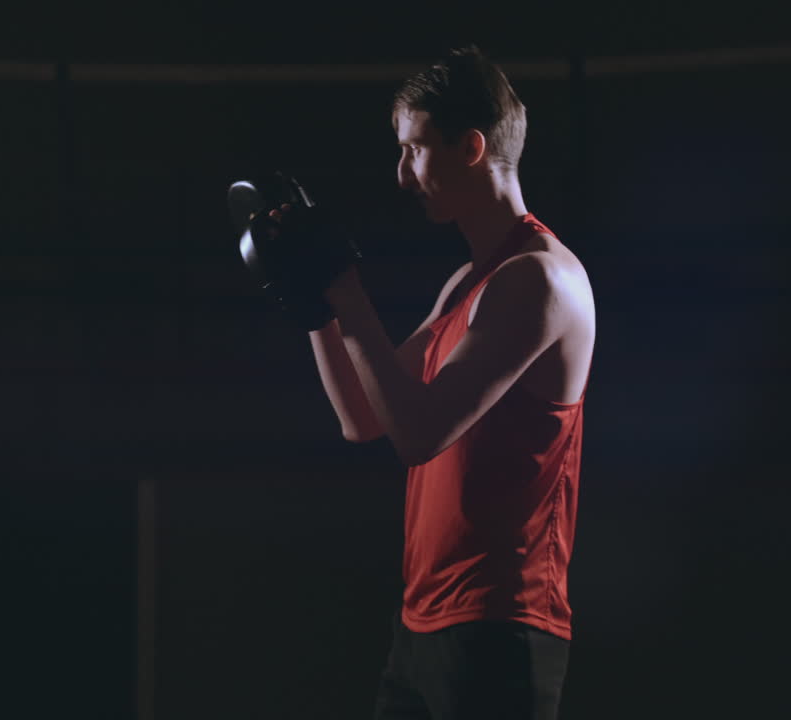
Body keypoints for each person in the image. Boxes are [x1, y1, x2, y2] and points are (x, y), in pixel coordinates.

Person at [251, 45, 595, 718]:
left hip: (501, 628)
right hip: (422, 626)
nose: (403, 176)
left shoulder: (540, 279)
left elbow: (418, 434)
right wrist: (318, 306)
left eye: (414, 150)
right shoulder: (467, 283)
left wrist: (346, 291)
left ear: (471, 147)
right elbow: (363, 417)